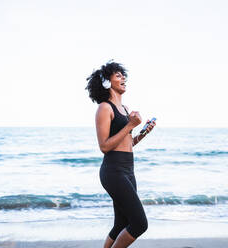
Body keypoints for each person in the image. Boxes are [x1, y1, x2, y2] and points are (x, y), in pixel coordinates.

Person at [85, 61, 156, 248]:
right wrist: (130, 125)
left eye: (123, 75)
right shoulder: (104, 108)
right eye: (118, 75)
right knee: (140, 224)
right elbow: (105, 146)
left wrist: (142, 133)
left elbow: (126, 143)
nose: (123, 78)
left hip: (128, 169)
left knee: (121, 224)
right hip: (113, 171)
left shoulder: (125, 110)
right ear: (107, 82)